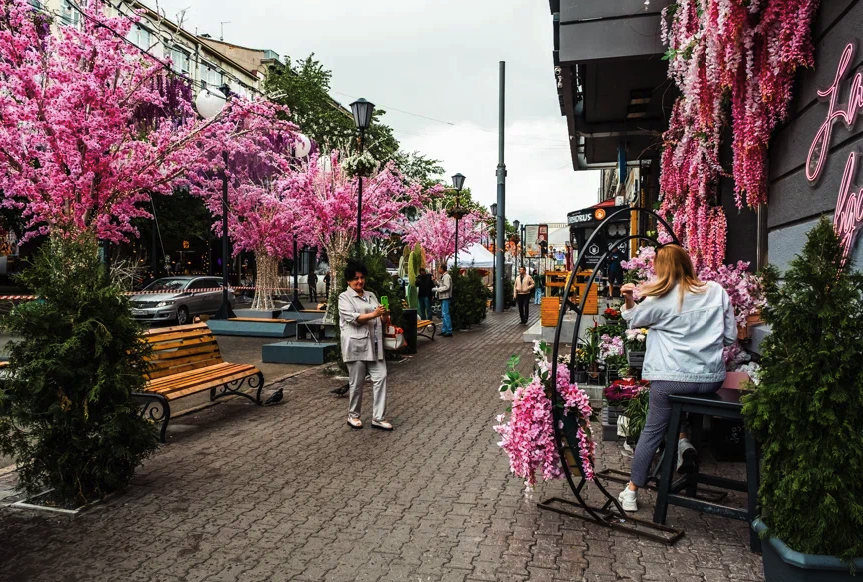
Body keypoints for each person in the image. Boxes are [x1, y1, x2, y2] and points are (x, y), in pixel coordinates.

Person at [616, 244, 737, 512]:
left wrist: (628, 298)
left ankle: (632, 492)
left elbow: (632, 319)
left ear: (662, 268)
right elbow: (730, 337)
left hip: (671, 378)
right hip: (710, 379)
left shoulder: (661, 299)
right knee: (682, 405)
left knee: (653, 430)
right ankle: (684, 443)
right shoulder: (716, 291)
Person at [338, 259, 393, 431]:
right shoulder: (344, 297)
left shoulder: (371, 295)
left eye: (362, 277)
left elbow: (380, 318)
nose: (359, 281)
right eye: (355, 278)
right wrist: (374, 313)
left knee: (381, 376)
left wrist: (384, 315)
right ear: (348, 281)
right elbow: (353, 318)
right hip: (356, 346)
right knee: (357, 383)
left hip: (375, 345)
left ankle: (378, 417)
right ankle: (353, 416)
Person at [432, 264, 452, 337]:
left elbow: (446, 287)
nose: (438, 270)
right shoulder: (444, 276)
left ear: (442, 269)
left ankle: (449, 330)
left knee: (445, 314)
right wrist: (436, 281)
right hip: (443, 297)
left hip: (445, 297)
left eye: (439, 268)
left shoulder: (446, 276)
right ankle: (445, 330)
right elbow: (442, 285)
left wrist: (437, 289)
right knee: (444, 314)